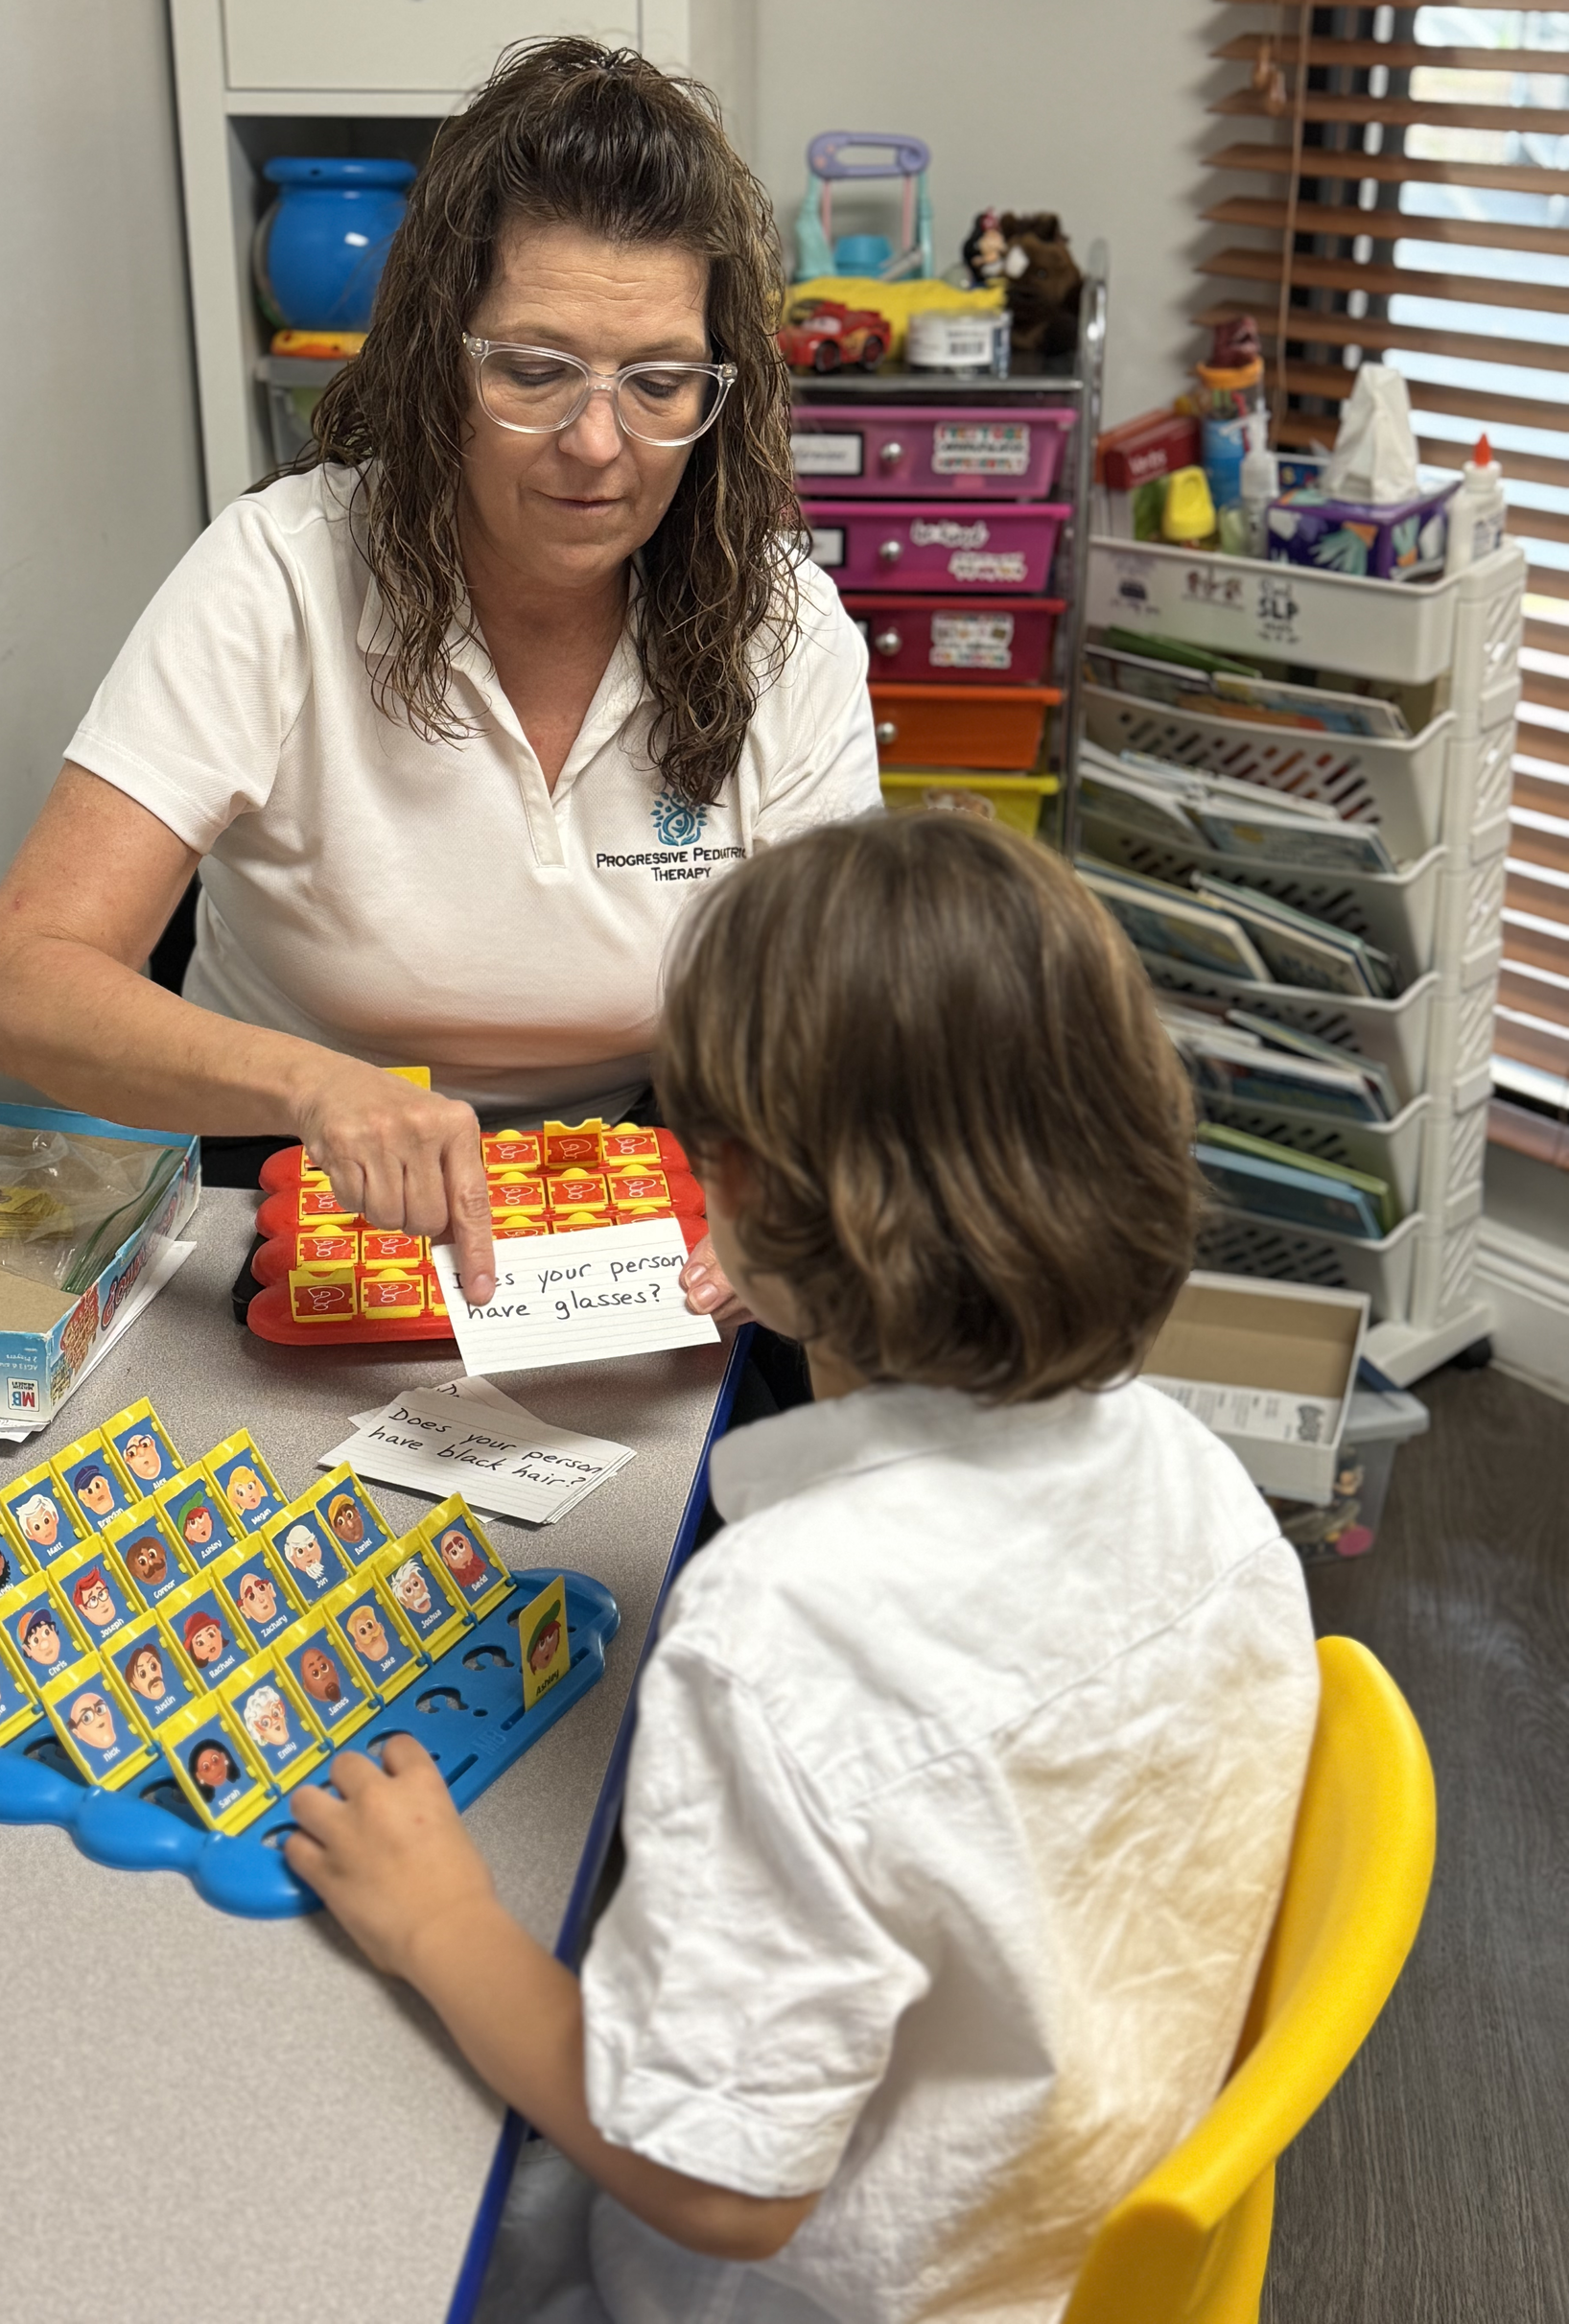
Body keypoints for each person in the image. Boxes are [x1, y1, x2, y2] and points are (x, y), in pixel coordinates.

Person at [285, 810, 1320, 2324]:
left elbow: (718, 2187)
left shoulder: (774, 1630)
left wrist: (438, 1922)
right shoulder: (1206, 1488)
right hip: (1059, 2224)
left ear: (748, 1194)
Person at [0, 37, 878, 1323]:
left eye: (661, 384)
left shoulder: (784, 630)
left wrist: (790, 1184)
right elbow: (16, 990)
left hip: (641, 1186)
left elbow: (838, 1013)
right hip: (291, 1176)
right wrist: (315, 1087)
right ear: (436, 359)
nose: (599, 446)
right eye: (533, 371)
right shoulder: (274, 580)